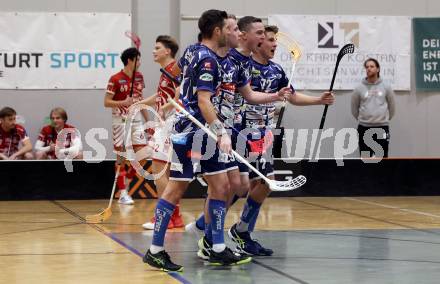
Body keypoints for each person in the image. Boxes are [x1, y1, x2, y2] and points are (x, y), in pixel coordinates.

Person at [143, 9, 251, 272]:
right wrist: (222, 131)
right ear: (216, 31)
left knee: (221, 187)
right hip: (194, 134)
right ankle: (155, 250)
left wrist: (181, 94)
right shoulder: (207, 60)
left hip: (204, 133)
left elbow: (176, 74)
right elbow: (204, 101)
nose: (231, 32)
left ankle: (216, 248)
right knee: (176, 189)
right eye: (227, 28)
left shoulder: (192, 50)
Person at [187, 15, 293, 260]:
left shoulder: (239, 63)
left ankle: (215, 232)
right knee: (218, 186)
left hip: (237, 130)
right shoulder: (216, 57)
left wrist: (275, 96)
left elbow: (249, 95)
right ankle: (209, 238)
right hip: (216, 129)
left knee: (240, 186)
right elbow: (201, 93)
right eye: (232, 28)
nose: (265, 39)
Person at [228, 25, 335, 256]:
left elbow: (292, 96)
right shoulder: (244, 66)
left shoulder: (276, 71)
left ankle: (241, 231)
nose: (275, 44)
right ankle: (214, 227)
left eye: (275, 40)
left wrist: (319, 100)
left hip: (263, 135)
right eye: (270, 40)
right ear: (258, 43)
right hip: (241, 131)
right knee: (242, 185)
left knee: (263, 184)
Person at [139, 35, 185, 230]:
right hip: (165, 123)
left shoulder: (174, 68)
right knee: (164, 170)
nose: (153, 51)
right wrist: (141, 103)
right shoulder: (166, 70)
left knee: (158, 170)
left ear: (167, 51)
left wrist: (163, 109)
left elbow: (180, 95)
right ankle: (174, 217)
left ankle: (166, 217)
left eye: (157, 47)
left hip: (170, 123)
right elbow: (161, 94)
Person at [104, 47, 147, 205]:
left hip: (137, 120)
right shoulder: (115, 78)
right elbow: (106, 102)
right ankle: (122, 193)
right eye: (138, 59)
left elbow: (141, 100)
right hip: (120, 121)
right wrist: (123, 102)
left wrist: (148, 121)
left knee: (143, 154)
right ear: (130, 60)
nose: (140, 63)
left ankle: (126, 183)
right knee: (121, 156)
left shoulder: (140, 77)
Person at [351, 58, 396, 158]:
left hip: (382, 128)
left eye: (372, 66)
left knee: (383, 159)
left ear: (378, 69)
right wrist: (364, 119)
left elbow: (392, 107)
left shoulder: (386, 86)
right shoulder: (359, 88)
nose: (369, 69)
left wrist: (384, 120)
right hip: (364, 128)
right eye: (367, 67)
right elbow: (354, 109)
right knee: (365, 159)